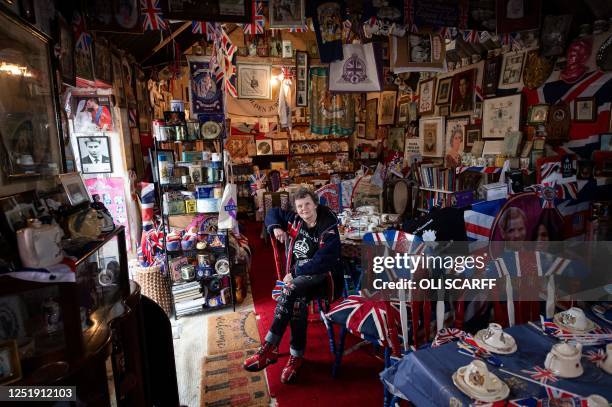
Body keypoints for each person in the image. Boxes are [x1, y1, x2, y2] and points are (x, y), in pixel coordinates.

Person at [243, 188, 342, 384]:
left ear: (315, 204)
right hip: (298, 283)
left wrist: (295, 273)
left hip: (323, 279)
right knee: (296, 300)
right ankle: (296, 356)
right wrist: (275, 227)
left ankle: (270, 347)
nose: (304, 209)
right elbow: (273, 213)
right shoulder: (296, 220)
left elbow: (322, 261)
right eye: (300, 206)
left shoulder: (328, 226)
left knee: (291, 289)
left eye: (307, 204)